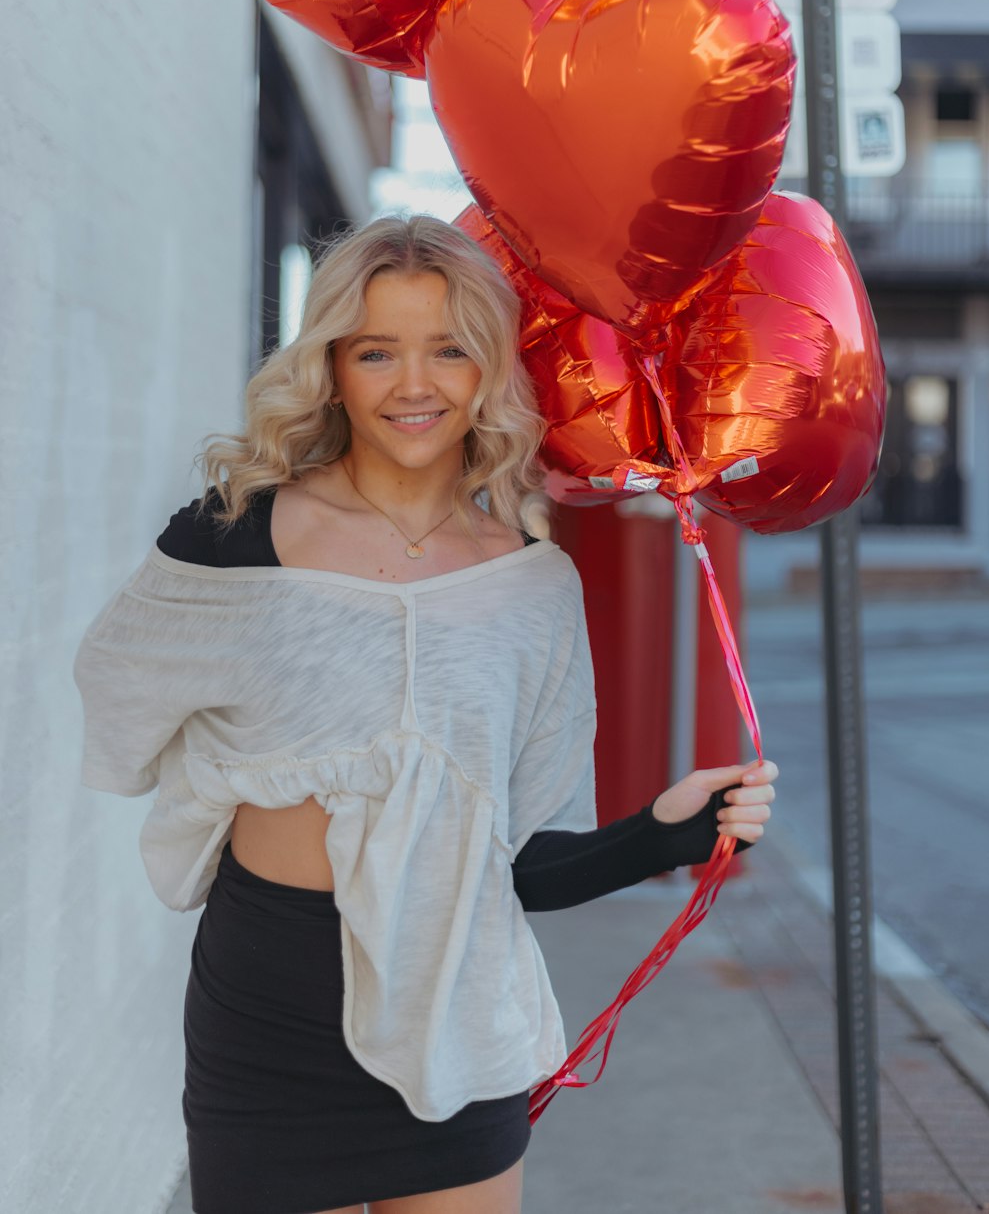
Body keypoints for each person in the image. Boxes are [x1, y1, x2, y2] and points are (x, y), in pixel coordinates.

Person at [74, 214, 778, 1214]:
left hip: (460, 1008)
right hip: (270, 1004)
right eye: (377, 350)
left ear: (490, 366)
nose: (415, 385)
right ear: (331, 367)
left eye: (449, 348)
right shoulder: (232, 536)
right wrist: (258, 752)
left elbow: (519, 858)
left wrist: (669, 830)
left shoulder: (532, 585)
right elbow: (120, 689)